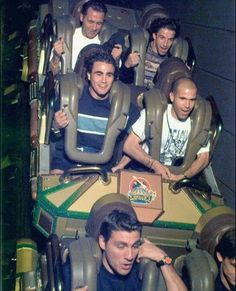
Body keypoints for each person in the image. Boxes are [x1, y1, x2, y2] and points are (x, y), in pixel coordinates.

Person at [50, 49, 140, 174]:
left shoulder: (124, 108)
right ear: (88, 75)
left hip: (101, 167)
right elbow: (52, 136)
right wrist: (55, 125)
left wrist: (121, 165)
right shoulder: (70, 99)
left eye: (109, 75)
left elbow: (139, 141)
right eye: (98, 74)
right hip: (66, 163)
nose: (104, 80)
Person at [112, 77, 210, 181]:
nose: (187, 105)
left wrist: (182, 178)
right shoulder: (154, 114)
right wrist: (154, 164)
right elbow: (129, 145)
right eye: (182, 99)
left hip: (179, 175)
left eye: (192, 100)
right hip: (147, 171)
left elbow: (203, 157)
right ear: (172, 97)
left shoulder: (197, 121)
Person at [73, 209, 187, 291]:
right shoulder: (82, 273)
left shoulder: (144, 273)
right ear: (103, 242)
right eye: (121, 246)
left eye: (135, 246)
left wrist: (163, 258)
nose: (129, 256)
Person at [49, 0, 123, 75]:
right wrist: (56, 56)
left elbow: (115, 79)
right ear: (82, 17)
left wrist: (115, 60)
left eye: (99, 23)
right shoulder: (66, 38)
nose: (94, 27)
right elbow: (52, 73)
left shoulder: (107, 43)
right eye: (91, 22)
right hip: (69, 84)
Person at [119, 17, 180, 87]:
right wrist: (127, 65)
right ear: (154, 35)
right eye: (162, 37)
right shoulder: (138, 50)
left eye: (170, 39)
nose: (165, 44)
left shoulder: (170, 61)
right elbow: (122, 81)